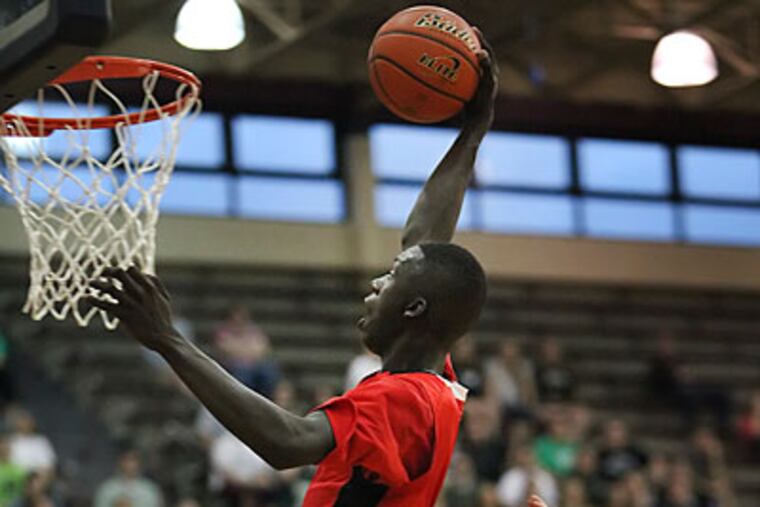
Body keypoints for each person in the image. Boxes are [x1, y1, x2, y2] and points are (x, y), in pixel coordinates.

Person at [87, 27, 511, 507]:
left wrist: (169, 340)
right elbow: (426, 242)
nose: (375, 284)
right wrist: (473, 132)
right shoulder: (434, 383)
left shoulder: (403, 399)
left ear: (414, 308)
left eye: (389, 279)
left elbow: (288, 442)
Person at [93, 449, 164, 507]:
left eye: (133, 460)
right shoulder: (107, 489)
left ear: (139, 463)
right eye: (126, 460)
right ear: (120, 462)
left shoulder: (149, 490)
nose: (130, 464)